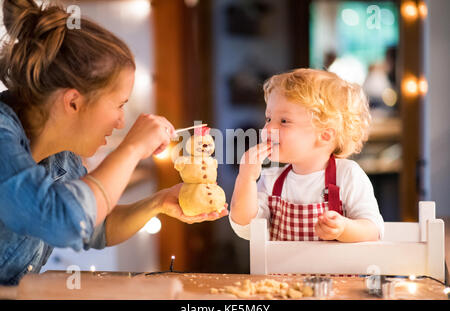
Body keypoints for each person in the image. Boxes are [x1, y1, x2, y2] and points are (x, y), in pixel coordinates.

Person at [0, 0, 227, 286]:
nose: (121, 122)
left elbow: (96, 225)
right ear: (73, 102)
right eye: (119, 105)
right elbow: (63, 219)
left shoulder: (62, 158)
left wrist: (158, 202)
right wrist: (130, 149)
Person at [229, 68, 384, 242]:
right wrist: (246, 178)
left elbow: (373, 231)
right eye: (268, 119)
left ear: (325, 135)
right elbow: (246, 228)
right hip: (279, 270)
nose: (268, 129)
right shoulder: (270, 179)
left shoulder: (348, 175)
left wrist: (343, 229)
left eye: (284, 121)